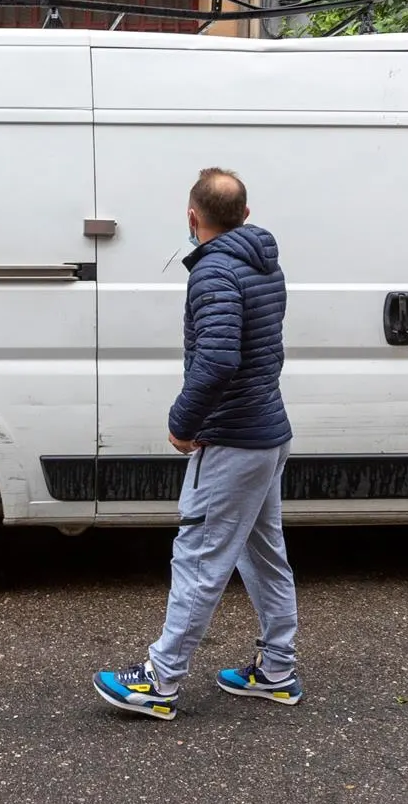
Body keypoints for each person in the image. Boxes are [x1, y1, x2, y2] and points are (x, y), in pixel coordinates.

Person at [94, 168, 300, 721]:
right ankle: (277, 671)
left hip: (234, 439)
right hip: (268, 433)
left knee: (199, 557)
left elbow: (218, 360)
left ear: (192, 218)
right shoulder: (264, 265)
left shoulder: (213, 274)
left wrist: (182, 422)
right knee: (263, 555)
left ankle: (159, 681)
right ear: (246, 216)